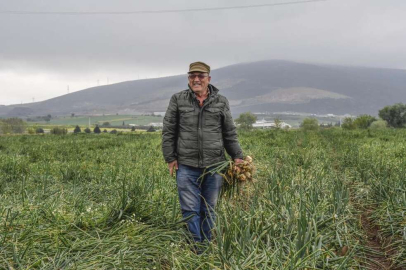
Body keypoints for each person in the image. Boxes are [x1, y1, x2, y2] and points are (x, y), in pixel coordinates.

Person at [162, 61, 243, 243]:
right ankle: (196, 247)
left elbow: (229, 132)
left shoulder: (221, 101)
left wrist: (237, 156)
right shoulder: (178, 99)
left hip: (215, 165)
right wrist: (170, 157)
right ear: (188, 79)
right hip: (186, 165)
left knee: (209, 208)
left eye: (201, 76)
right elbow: (169, 130)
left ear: (209, 79)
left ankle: (206, 245)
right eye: (192, 76)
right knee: (190, 209)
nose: (196, 79)